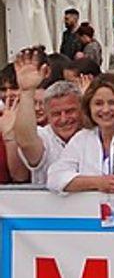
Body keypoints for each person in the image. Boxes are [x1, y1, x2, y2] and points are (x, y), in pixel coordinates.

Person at [46, 34, 114, 193]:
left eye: (112, 103)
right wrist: (98, 183)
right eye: (98, 103)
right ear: (89, 106)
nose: (105, 110)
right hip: (94, 215)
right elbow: (56, 178)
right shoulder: (82, 139)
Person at [8, 51, 85, 187]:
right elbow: (26, 142)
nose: (64, 119)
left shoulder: (94, 135)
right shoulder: (44, 137)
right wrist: (26, 92)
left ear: (81, 110)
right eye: (56, 114)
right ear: (48, 115)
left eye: (70, 111)